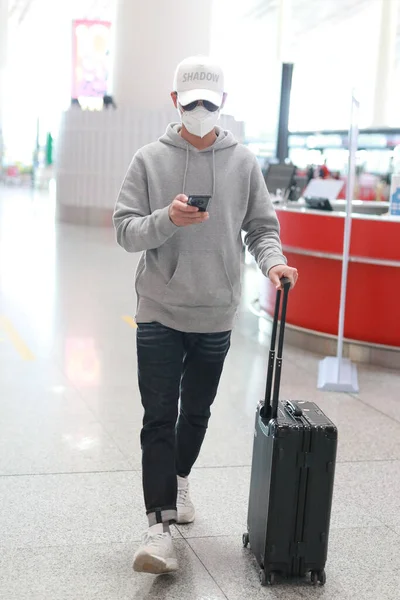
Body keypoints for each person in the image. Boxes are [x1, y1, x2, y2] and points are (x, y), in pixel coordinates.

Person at [113, 56, 298, 575]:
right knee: (157, 417)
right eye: (190, 102)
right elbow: (125, 231)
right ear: (174, 102)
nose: (199, 111)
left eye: (208, 104)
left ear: (223, 105)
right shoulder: (148, 160)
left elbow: (261, 228)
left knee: (195, 413)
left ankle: (180, 480)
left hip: (216, 312)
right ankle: (159, 529)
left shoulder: (243, 163)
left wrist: (275, 262)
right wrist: (166, 219)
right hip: (158, 309)